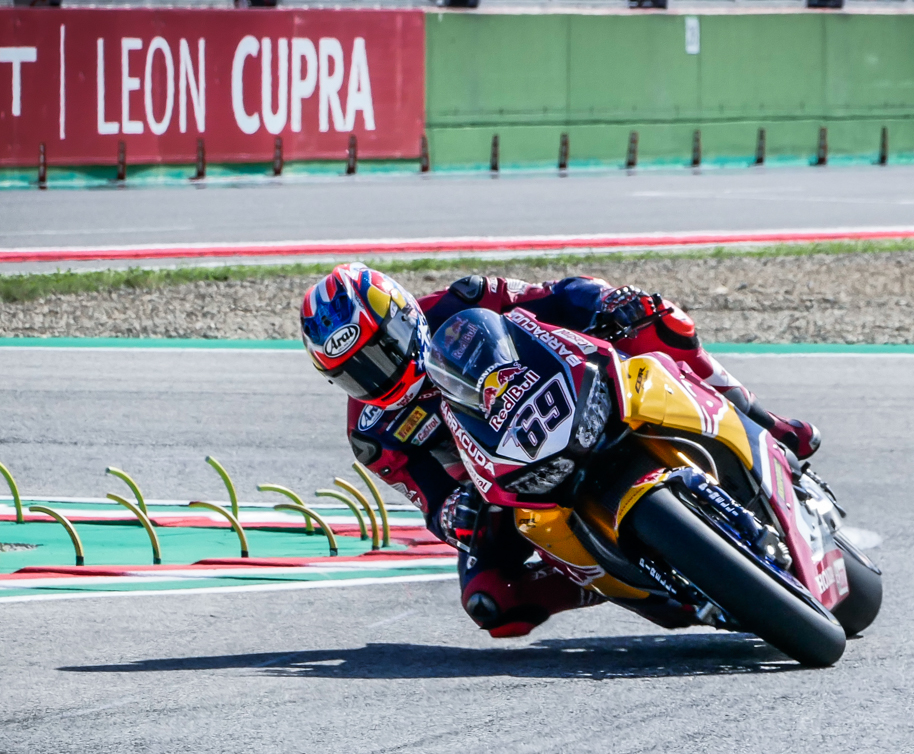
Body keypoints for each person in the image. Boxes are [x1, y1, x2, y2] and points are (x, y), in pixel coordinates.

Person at [300, 263, 820, 638]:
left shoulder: (465, 300)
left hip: (564, 396)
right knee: (492, 603)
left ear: (401, 317)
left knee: (658, 320)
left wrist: (608, 301)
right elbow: (432, 502)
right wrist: (455, 514)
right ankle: (612, 581)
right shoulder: (374, 434)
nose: (374, 376)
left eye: (379, 353)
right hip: (501, 482)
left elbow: (559, 296)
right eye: (352, 373)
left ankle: (763, 421)